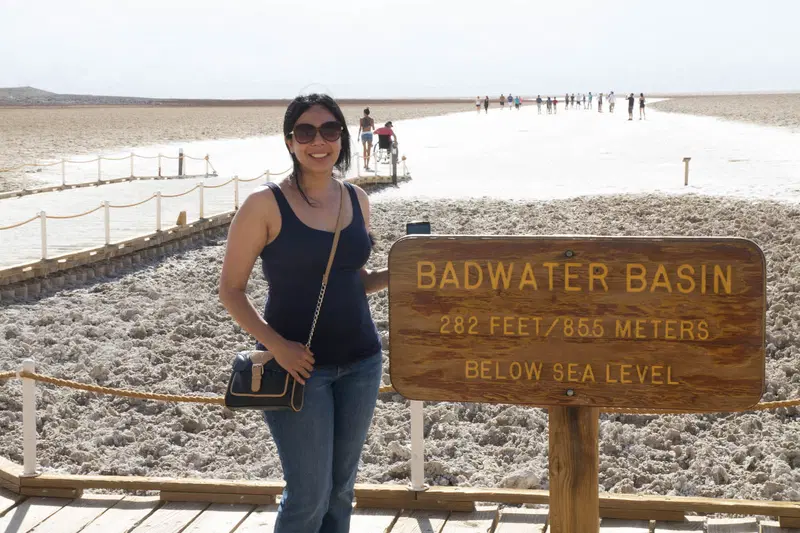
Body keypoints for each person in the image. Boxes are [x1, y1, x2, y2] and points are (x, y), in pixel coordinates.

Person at [219, 93, 387, 533]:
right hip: (297, 369)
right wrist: (279, 348)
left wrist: (401, 271)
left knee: (341, 491)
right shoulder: (265, 204)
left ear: (343, 138)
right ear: (290, 141)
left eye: (330, 130)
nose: (319, 141)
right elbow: (232, 292)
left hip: (363, 362)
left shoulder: (357, 199)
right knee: (307, 498)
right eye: (305, 132)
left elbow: (353, 279)